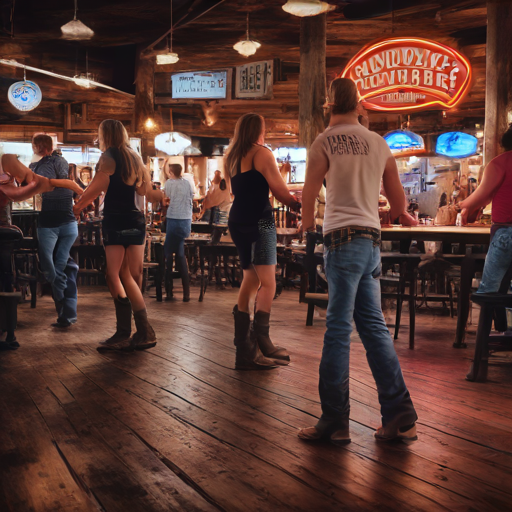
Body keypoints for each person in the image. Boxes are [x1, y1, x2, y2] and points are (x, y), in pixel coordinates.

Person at [298, 78, 418, 445]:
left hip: (340, 239)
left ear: (329, 105)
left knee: (337, 330)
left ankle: (335, 420)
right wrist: (383, 218)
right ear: (359, 106)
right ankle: (399, 414)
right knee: (374, 328)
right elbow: (398, 208)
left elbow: (308, 193)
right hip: (370, 244)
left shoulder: (324, 141)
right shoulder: (379, 143)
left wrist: (306, 226)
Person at [73, 119, 165, 352]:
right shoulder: (135, 157)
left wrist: (78, 204)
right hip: (136, 220)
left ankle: (133, 331)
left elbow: (96, 188)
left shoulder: (108, 157)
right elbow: (144, 191)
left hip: (116, 220)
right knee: (132, 274)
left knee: (114, 274)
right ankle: (137, 332)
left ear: (105, 134)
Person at [225, 113, 301, 370]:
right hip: (261, 221)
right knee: (268, 282)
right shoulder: (262, 153)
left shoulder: (232, 157)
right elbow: (279, 190)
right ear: (260, 129)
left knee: (251, 278)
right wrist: (296, 204)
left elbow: (236, 191)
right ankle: (263, 340)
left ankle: (244, 350)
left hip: (237, 221)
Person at [30, 135, 81, 328]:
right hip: (53, 222)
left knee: (58, 268)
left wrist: (50, 184)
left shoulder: (57, 161)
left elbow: (61, 184)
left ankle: (65, 313)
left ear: (38, 146)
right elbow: (62, 185)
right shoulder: (35, 165)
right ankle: (65, 312)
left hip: (65, 222)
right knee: (54, 270)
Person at [459, 124, 512, 293]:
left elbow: (481, 196)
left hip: (506, 232)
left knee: (489, 293)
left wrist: (461, 206)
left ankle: (492, 315)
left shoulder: (501, 162)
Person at [163, 163, 193, 302]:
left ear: (170, 172)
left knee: (168, 253)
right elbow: (191, 199)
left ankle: (169, 291)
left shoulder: (169, 183)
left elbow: (166, 199)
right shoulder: (187, 183)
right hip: (186, 220)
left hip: (173, 218)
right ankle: (186, 293)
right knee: (180, 252)